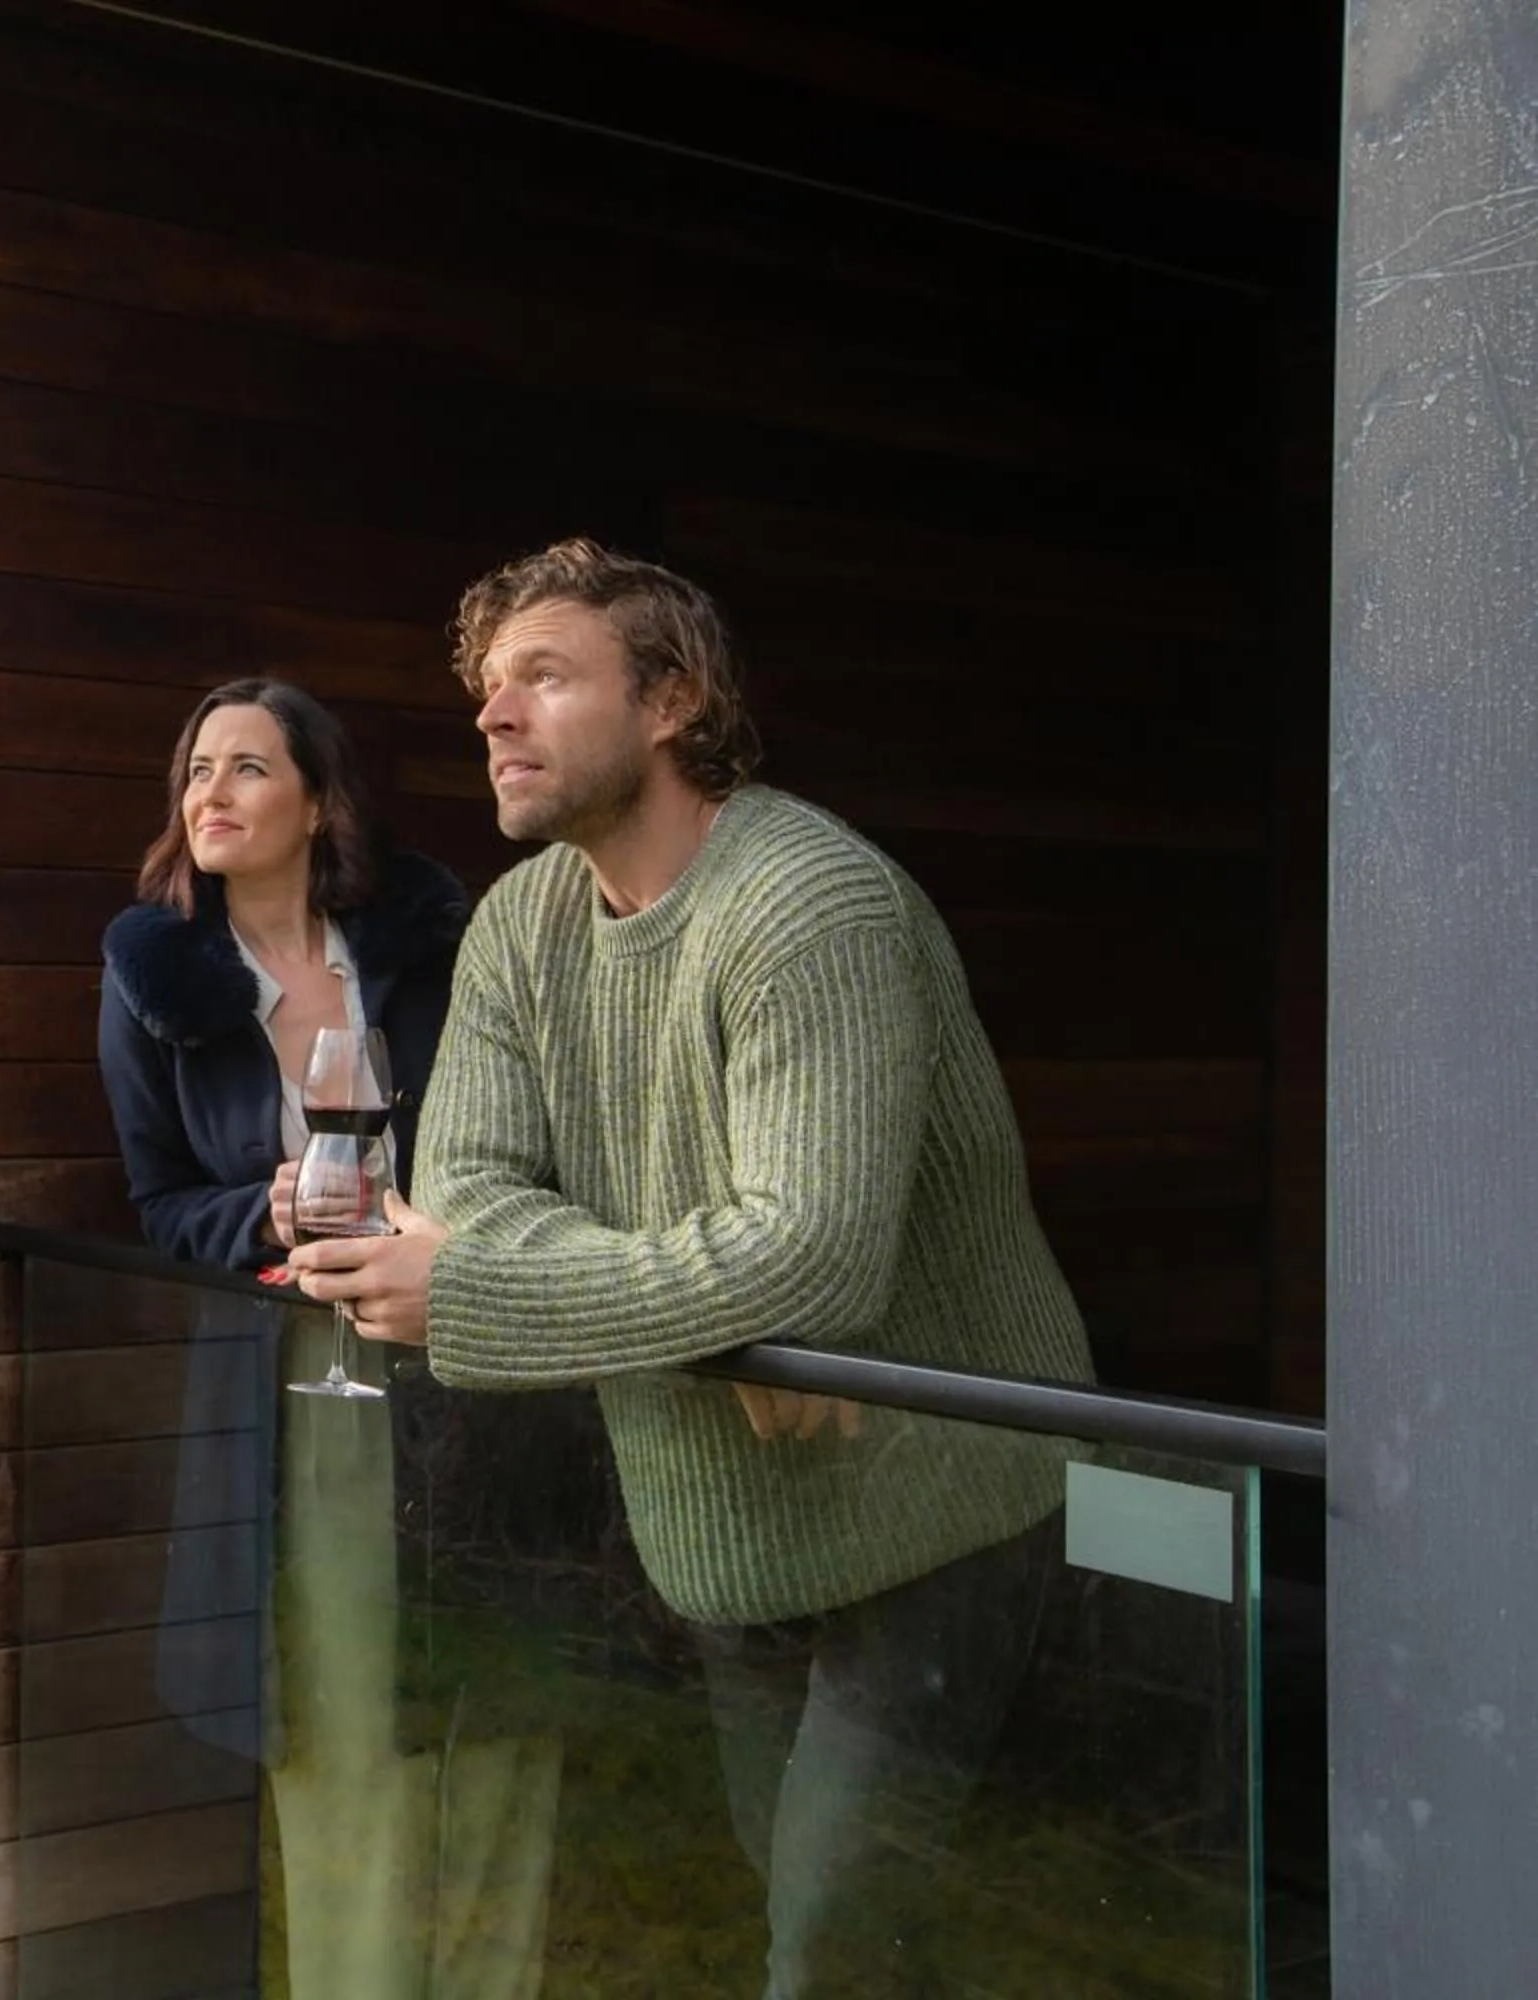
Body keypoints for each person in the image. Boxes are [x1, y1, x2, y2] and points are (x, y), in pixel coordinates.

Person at [288, 540, 1093, 1997]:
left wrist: (486, 1290)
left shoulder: (809, 907)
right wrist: (716, 1326)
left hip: (936, 1502)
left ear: (671, 699)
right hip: (720, 1518)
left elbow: (812, 1255)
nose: (493, 715)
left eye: (543, 675)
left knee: (831, 1953)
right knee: (791, 1897)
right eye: (485, 689)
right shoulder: (526, 926)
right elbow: (466, 1188)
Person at [96, 676, 558, 2000]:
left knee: (506, 1716)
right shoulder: (153, 976)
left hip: (471, 1356)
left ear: (315, 799)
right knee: (343, 1725)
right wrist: (268, 1204)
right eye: (196, 771)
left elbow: (518, 1131)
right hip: (305, 1382)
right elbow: (160, 1205)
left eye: (246, 767)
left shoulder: (426, 951)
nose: (212, 794)